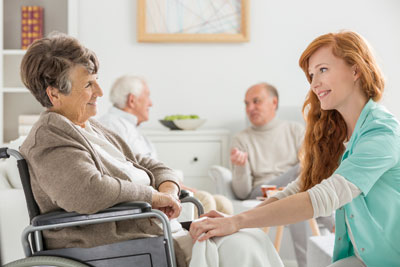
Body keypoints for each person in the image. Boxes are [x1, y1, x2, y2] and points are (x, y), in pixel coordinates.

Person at [19, 33, 282, 267]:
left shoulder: (90, 127)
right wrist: (153, 197)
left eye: (96, 81)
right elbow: (88, 191)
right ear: (54, 94)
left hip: (156, 232)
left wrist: (168, 189)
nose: (99, 91)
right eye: (88, 84)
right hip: (122, 244)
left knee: (249, 237)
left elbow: (147, 163)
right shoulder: (50, 136)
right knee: (243, 246)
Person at [190, 30, 400, 266]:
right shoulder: (341, 134)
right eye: (311, 75)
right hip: (364, 257)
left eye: (323, 69)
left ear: (355, 69)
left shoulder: (381, 131)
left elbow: (322, 198)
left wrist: (238, 222)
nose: (314, 83)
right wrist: (235, 219)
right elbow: (302, 187)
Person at [98, 75, 233, 215]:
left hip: (161, 188)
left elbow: (153, 168)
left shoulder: (129, 128)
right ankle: (197, 236)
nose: (151, 103)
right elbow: (132, 174)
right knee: (206, 200)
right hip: (147, 197)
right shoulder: (112, 126)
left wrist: (177, 186)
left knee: (223, 203)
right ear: (132, 100)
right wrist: (175, 190)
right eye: (147, 96)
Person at [231, 82, 304, 200]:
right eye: (246, 103)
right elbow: (242, 194)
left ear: (274, 103)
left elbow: (309, 170)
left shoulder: (295, 130)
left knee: (310, 166)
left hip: (293, 189)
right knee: (305, 168)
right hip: (261, 192)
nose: (250, 108)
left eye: (256, 101)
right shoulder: (240, 139)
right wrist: (241, 167)